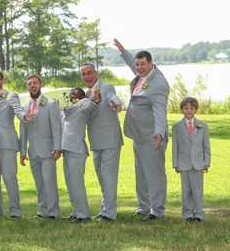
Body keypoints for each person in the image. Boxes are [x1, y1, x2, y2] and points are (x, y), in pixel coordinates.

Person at [115, 38, 171, 221]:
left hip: (151, 135)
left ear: (151, 63)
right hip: (138, 134)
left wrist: (159, 132)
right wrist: (123, 52)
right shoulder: (144, 74)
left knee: (154, 174)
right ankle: (144, 207)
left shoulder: (158, 84)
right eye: (137, 64)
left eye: (142, 64)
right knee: (141, 173)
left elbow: (160, 110)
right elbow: (133, 64)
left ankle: (158, 212)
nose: (138, 67)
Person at [80, 62, 124, 221]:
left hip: (110, 139)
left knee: (108, 176)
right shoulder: (86, 93)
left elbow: (113, 96)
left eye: (89, 73)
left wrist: (116, 103)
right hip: (96, 141)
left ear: (96, 73)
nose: (87, 77)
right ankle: (106, 209)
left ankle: (109, 214)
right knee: (101, 177)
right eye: (84, 74)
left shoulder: (106, 87)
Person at [18, 75, 62, 219]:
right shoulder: (24, 108)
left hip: (48, 150)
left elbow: (56, 127)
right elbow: (23, 131)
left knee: (50, 182)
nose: (32, 85)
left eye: (35, 83)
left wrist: (57, 147)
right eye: (29, 83)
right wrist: (23, 151)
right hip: (33, 152)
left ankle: (54, 211)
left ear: (41, 85)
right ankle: (42, 210)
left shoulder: (50, 104)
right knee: (39, 183)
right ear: (27, 87)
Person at [0, 70, 23, 218]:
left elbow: (18, 112)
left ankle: (16, 212)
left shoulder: (11, 96)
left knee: (9, 177)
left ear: (3, 81)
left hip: (7, 143)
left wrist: (24, 117)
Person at [60, 87, 100, 222]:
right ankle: (76, 210)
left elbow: (90, 105)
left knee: (77, 183)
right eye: (70, 91)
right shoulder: (68, 108)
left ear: (82, 95)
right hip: (66, 149)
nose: (71, 93)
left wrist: (94, 100)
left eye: (75, 91)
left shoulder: (83, 103)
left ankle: (83, 214)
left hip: (76, 149)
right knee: (70, 182)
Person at [172, 97, 210, 223]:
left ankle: (199, 214)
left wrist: (206, 162)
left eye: (191, 108)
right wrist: (175, 163)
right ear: (182, 109)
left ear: (196, 110)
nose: (188, 111)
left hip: (198, 163)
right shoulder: (177, 127)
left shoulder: (202, 126)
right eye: (186, 108)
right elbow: (175, 146)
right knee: (186, 191)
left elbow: (206, 146)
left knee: (198, 190)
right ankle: (187, 214)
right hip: (184, 162)